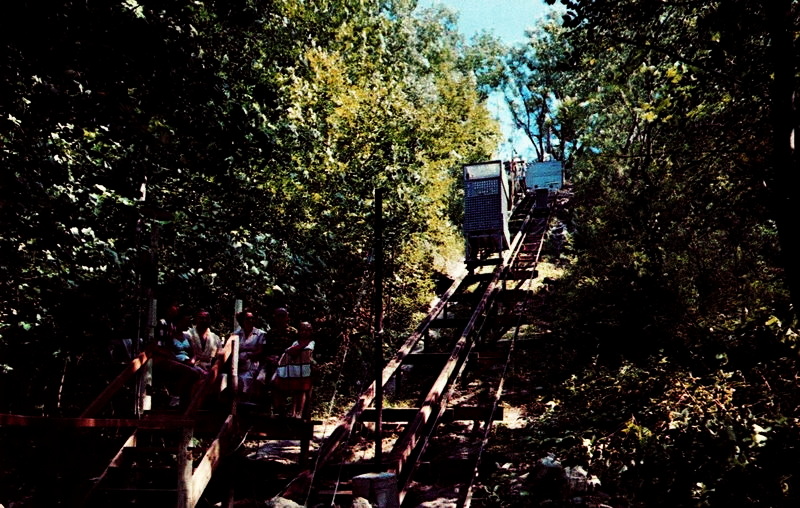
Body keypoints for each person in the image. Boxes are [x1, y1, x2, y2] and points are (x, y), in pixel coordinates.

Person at [274, 321, 315, 419]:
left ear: (311, 331)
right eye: (302, 330)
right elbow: (289, 352)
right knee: (295, 391)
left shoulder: (312, 342)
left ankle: (300, 413)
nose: (304, 332)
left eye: (307, 330)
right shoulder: (295, 342)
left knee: (304, 391)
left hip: (307, 371)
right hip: (295, 370)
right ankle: (293, 412)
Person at [231, 309, 267, 402]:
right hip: (238, 364)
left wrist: (247, 354)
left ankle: (246, 401)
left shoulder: (260, 334)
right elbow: (231, 349)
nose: (250, 321)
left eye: (252, 318)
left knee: (245, 378)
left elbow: (260, 351)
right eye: (247, 319)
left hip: (253, 363)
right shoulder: (236, 334)